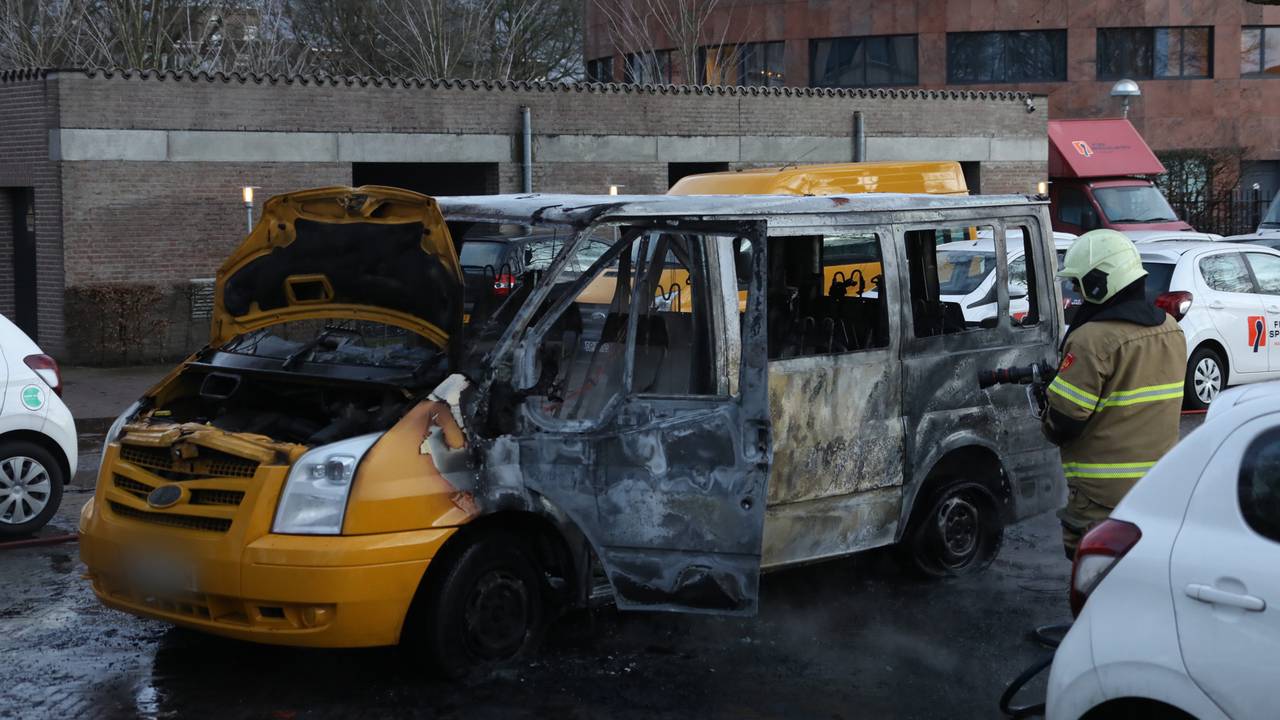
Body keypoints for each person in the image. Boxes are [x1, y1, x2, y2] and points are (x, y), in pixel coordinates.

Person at [1042, 229, 1185, 559]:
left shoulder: (1091, 340)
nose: (1076, 293)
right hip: (1158, 491)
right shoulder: (1170, 329)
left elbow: (1062, 424)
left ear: (1100, 282)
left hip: (1101, 501)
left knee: (1095, 590)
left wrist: (1044, 403)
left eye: (1079, 284)